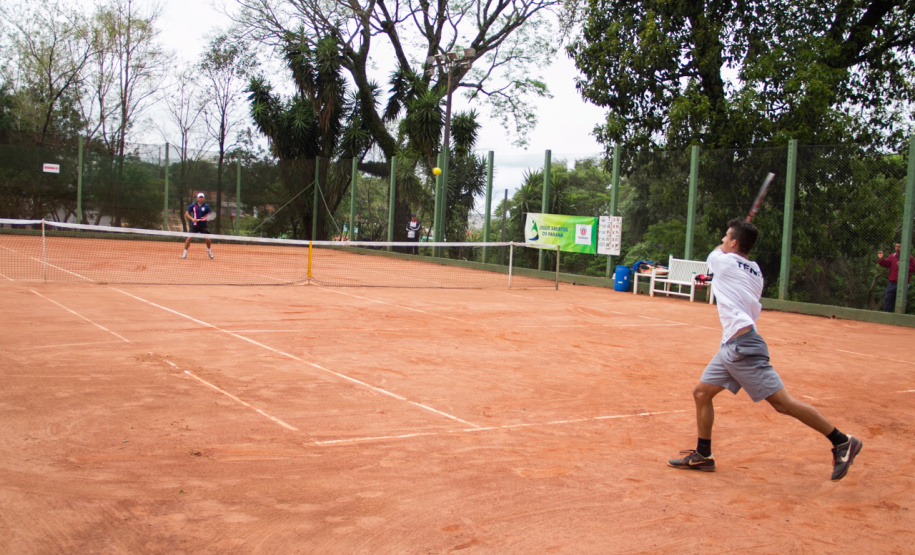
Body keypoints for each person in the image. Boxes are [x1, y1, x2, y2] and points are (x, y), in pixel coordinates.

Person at [668, 218, 861, 481]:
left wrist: (728, 241)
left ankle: (841, 441)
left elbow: (716, 252)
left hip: (743, 347)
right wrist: (737, 237)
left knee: (784, 404)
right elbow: (730, 253)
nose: (723, 240)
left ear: (734, 242)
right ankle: (704, 455)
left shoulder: (721, 261)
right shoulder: (756, 270)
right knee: (702, 393)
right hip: (732, 345)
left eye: (727, 236)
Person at [877, 242, 915, 312]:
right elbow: (886, 264)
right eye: (896, 246)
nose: (897, 248)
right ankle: (887, 317)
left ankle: (900, 317)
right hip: (892, 283)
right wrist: (881, 259)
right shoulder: (892, 256)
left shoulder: (909, 257)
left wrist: (903, 266)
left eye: (899, 246)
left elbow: (913, 268)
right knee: (888, 299)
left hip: (904, 283)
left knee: (902, 302)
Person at [182, 192, 214, 259]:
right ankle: (185, 252)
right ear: (197, 198)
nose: (201, 198)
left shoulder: (206, 206)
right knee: (189, 238)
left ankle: (208, 250)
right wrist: (192, 219)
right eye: (200, 197)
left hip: (203, 226)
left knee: (207, 238)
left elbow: (211, 216)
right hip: (194, 226)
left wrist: (204, 218)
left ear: (204, 198)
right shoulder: (193, 206)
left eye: (202, 197)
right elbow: (186, 214)